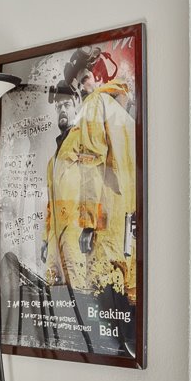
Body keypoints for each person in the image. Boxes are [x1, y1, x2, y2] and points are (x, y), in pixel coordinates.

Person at [43, 47, 139, 342]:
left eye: (86, 78)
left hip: (98, 231)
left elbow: (97, 168)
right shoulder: (68, 142)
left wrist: (88, 223)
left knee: (101, 315)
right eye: (79, 80)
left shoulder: (98, 108)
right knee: (94, 318)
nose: (82, 86)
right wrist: (48, 239)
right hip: (90, 234)